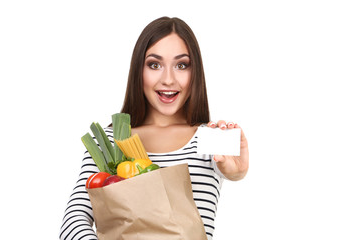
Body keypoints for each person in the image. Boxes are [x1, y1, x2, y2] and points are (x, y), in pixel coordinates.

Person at [60, 16, 249, 240]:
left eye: (181, 65)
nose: (168, 79)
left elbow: (233, 170)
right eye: (154, 64)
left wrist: (237, 171)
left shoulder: (210, 137)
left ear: (195, 71)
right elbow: (74, 219)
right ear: (138, 70)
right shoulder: (110, 140)